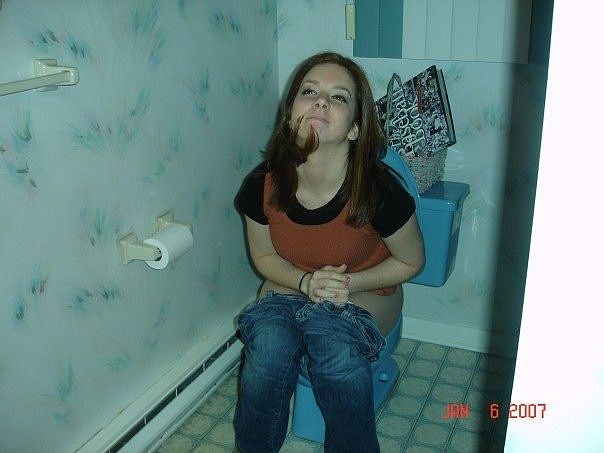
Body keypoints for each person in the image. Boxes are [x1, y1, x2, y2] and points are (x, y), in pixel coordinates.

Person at [233, 51, 425, 453]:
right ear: (290, 115)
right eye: (309, 91)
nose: (320, 101)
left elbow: (411, 261)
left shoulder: (380, 191)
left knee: (333, 346)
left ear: (355, 128)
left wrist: (347, 283)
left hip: (366, 290)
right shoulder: (260, 186)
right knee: (267, 353)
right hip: (290, 283)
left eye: (338, 97)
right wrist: (306, 282)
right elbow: (265, 259)